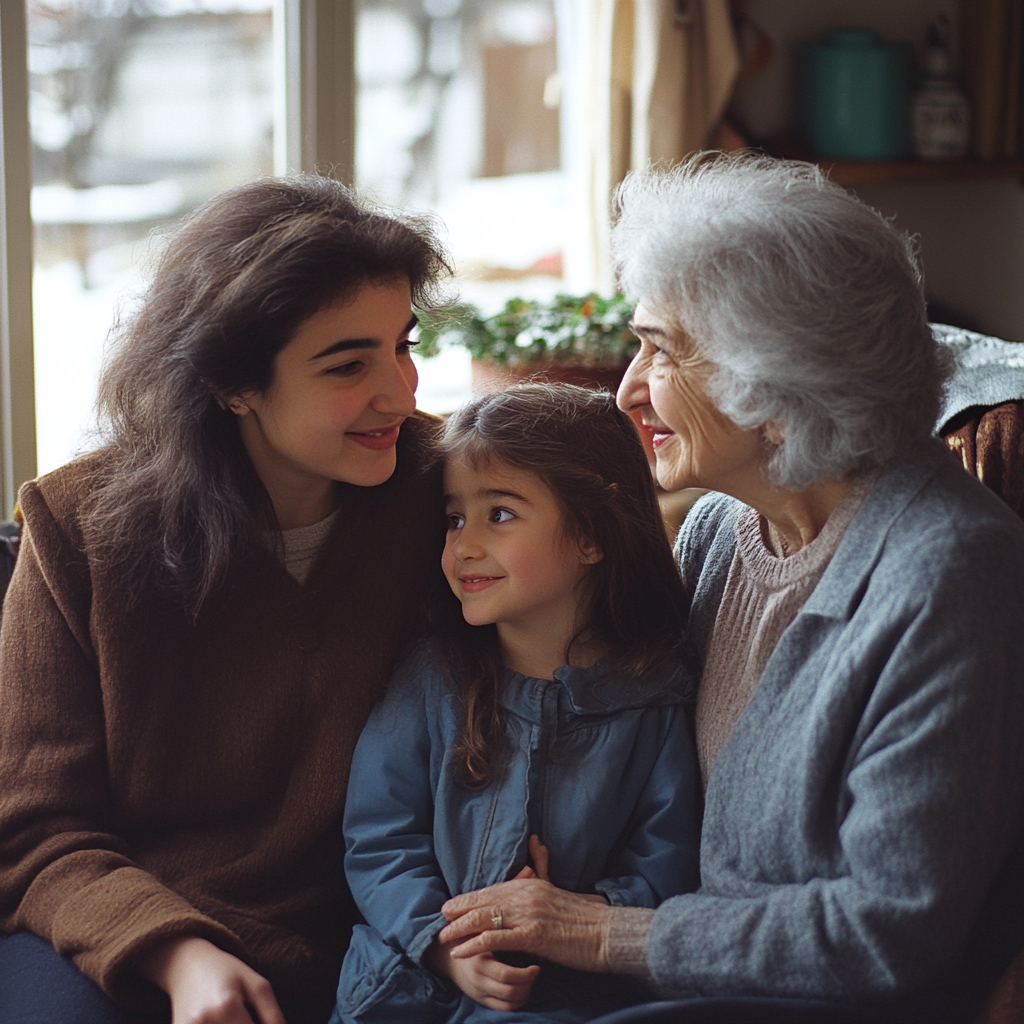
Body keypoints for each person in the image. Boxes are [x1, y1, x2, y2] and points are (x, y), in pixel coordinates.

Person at [434, 153, 1024, 1024]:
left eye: (661, 349)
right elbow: (624, 738)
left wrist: (603, 935)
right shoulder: (719, 531)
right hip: (696, 979)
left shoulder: (951, 571)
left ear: (779, 375)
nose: (629, 391)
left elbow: (891, 932)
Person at [0, 176, 452, 1024]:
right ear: (232, 384)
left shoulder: (457, 494)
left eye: (403, 344)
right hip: (132, 929)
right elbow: (34, 831)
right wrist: (178, 953)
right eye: (349, 364)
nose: (400, 391)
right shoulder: (74, 528)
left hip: (381, 932)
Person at [331, 383, 701, 1024]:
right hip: (410, 989)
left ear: (592, 533)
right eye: (454, 518)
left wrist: (575, 914)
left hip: (568, 994)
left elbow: (666, 859)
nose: (464, 545)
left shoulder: (653, 694)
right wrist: (445, 947)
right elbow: (380, 840)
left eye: (499, 514)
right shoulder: (430, 676)